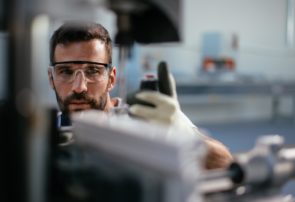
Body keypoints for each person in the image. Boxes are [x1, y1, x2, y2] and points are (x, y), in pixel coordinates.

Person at [48, 21, 232, 169]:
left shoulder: (146, 120)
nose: (79, 87)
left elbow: (225, 163)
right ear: (51, 79)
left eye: (93, 71)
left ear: (111, 79)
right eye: (65, 72)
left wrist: (178, 133)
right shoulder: (42, 137)